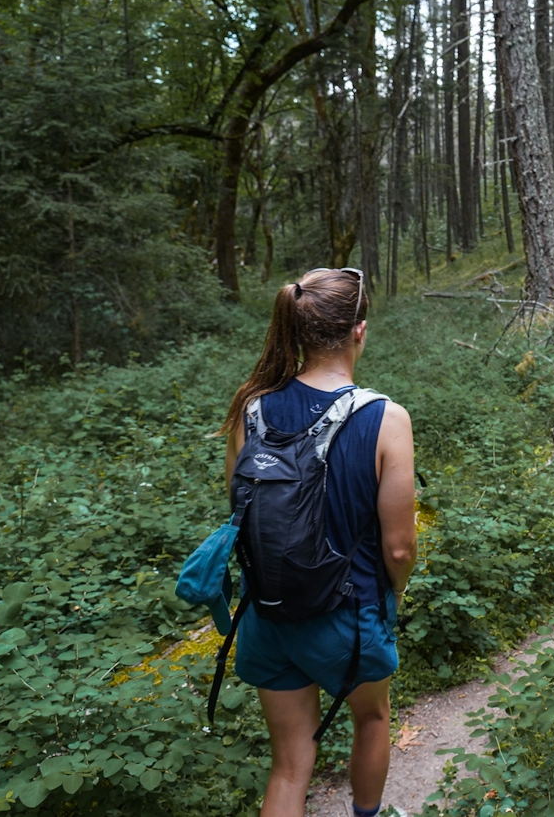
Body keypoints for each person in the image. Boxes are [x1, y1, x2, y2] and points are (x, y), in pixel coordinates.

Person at [217, 268, 417, 817]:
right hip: (348, 615)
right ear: (359, 331)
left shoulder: (250, 409)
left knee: (288, 766)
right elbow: (399, 549)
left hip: (268, 614)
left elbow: (238, 511)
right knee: (372, 718)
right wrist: (392, 598)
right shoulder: (386, 418)